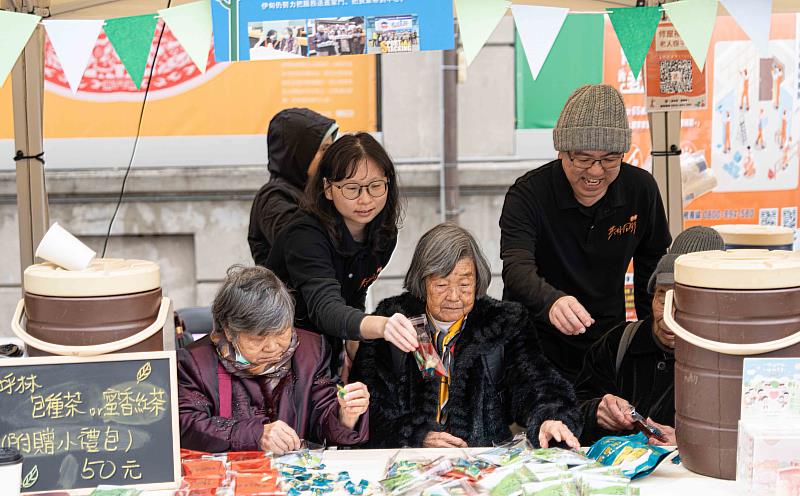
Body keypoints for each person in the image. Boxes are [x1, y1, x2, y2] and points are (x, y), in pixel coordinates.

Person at [350, 224, 582, 449]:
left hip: (482, 460)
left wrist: (551, 418)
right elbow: (368, 405)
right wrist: (416, 435)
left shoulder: (503, 322)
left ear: (477, 280)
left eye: (464, 284)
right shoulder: (393, 321)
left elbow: (538, 384)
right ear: (422, 282)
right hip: (409, 460)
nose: (454, 296)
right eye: (441, 284)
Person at [500, 84, 671, 382]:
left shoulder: (640, 190)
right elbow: (516, 267)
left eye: (609, 159)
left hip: (606, 342)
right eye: (583, 159)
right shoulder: (528, 194)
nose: (595, 172)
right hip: (535, 342)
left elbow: (652, 266)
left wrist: (647, 335)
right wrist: (551, 301)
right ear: (562, 152)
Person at [267, 133, 418, 380]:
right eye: (352, 188)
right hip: (279, 353)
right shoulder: (305, 235)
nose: (366, 199)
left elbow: (357, 290)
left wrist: (352, 342)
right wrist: (380, 325)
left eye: (375, 186)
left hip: (327, 352)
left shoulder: (384, 234)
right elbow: (325, 308)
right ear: (328, 188)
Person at [178, 266, 370, 453]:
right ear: (229, 331)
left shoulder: (311, 351)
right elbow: (187, 425)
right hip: (228, 478)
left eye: (281, 333)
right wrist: (255, 434)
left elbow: (323, 416)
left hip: (297, 476)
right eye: (257, 338)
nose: (272, 347)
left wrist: (346, 414)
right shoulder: (195, 362)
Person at [574, 226, 725, 446]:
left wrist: (691, 442)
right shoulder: (619, 344)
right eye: (662, 298)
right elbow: (568, 409)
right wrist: (595, 411)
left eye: (685, 304)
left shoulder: (730, 357)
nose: (667, 317)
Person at [248, 108, 338, 266]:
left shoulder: (312, 191)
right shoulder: (275, 197)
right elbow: (304, 249)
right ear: (301, 153)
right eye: (323, 149)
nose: (330, 157)